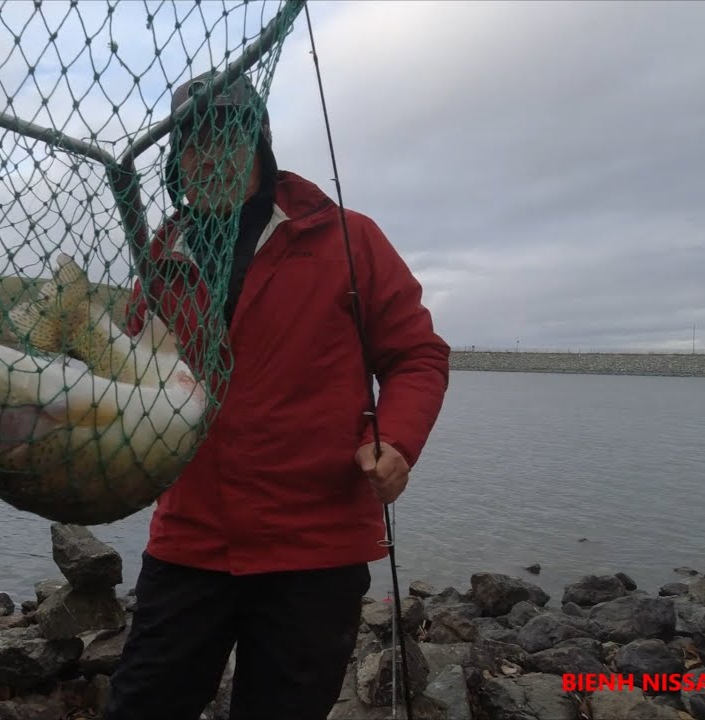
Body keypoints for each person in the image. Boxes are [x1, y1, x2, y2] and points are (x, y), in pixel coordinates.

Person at [103, 70, 451, 720]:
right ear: (176, 158)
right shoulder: (161, 260)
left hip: (314, 546)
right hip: (189, 540)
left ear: (259, 145)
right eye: (193, 143)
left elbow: (417, 355)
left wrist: (397, 440)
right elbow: (127, 387)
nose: (210, 157)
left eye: (228, 137)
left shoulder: (349, 239)